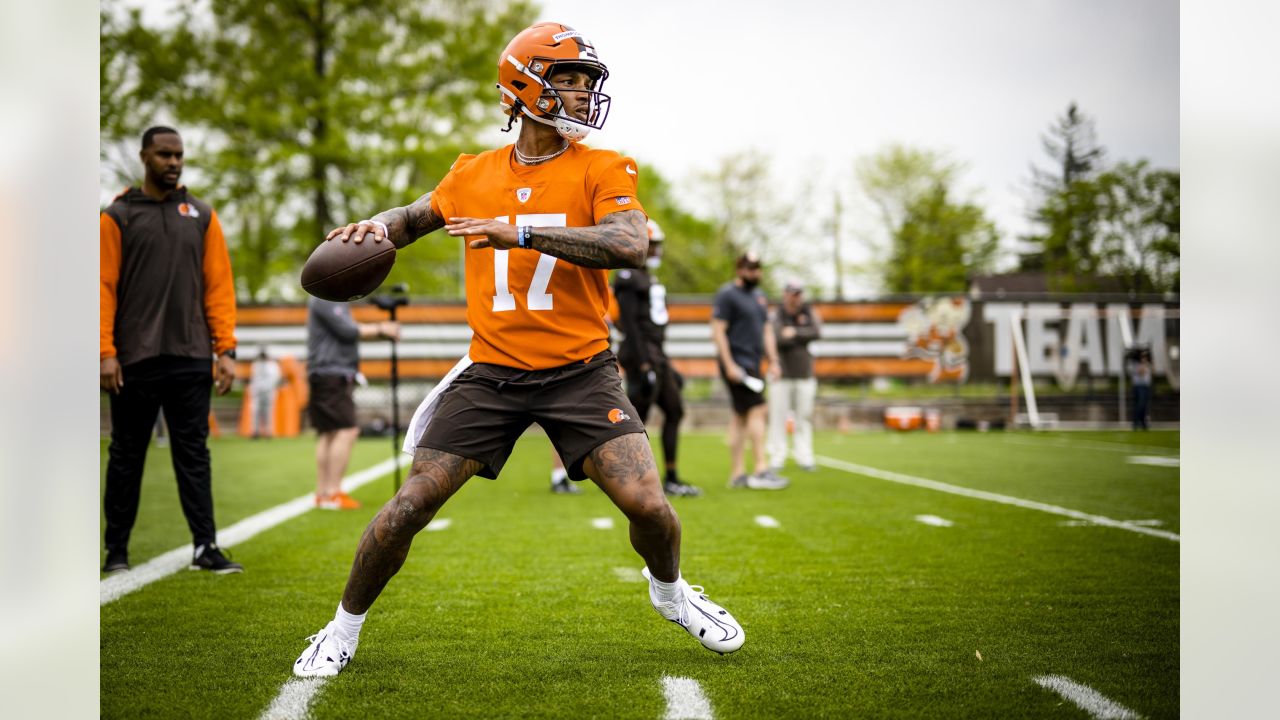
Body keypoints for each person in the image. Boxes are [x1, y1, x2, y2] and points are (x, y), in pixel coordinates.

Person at [292, 22, 744, 678]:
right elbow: (415, 217)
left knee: (649, 504)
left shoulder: (603, 165)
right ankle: (340, 629)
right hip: (493, 372)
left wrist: (523, 233)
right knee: (412, 503)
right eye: (570, 80)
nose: (585, 95)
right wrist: (376, 227)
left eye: (590, 83)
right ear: (524, 84)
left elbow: (629, 244)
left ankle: (672, 592)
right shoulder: (472, 173)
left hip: (580, 370)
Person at [99, 125, 243, 575]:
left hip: (191, 356)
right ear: (144, 156)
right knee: (126, 454)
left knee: (194, 454)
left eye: (179, 154)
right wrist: (104, 351)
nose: (174, 162)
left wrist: (226, 350)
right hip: (133, 359)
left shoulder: (200, 215)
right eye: (164, 154)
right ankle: (116, 551)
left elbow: (219, 287)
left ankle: (206, 547)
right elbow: (101, 288)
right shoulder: (117, 216)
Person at [612, 219, 702, 497]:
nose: (657, 251)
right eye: (654, 245)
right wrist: (643, 364)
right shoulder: (628, 277)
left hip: (656, 354)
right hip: (641, 355)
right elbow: (630, 324)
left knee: (675, 410)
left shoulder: (647, 277)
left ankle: (671, 476)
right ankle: (630, 478)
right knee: (636, 420)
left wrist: (663, 363)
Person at [306, 298, 400, 510]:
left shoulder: (323, 295)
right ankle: (333, 492)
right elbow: (347, 330)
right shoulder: (326, 296)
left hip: (325, 373)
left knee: (328, 432)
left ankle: (323, 493)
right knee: (346, 430)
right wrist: (382, 328)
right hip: (332, 373)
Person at [711, 252, 788, 490]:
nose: (756, 272)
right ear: (740, 270)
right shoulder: (727, 295)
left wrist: (773, 359)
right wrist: (729, 364)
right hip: (737, 364)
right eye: (751, 268)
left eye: (758, 268)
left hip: (754, 364)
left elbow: (766, 331)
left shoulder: (759, 297)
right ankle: (761, 470)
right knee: (758, 409)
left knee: (740, 416)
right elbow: (718, 331)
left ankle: (737, 474)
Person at [767, 280, 822, 472]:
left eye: (798, 293)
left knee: (803, 417)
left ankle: (804, 456)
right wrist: (797, 337)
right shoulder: (777, 313)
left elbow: (816, 332)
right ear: (785, 294)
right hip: (781, 374)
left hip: (804, 373)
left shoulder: (808, 311)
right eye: (792, 293)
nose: (795, 297)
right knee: (778, 417)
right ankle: (777, 456)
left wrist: (795, 333)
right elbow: (777, 337)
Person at [249, 347, 282, 439]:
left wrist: (267, 387)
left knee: (268, 412)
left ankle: (268, 432)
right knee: (255, 412)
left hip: (268, 392)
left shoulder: (272, 365)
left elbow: (275, 378)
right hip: (257, 392)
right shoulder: (256, 365)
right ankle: (255, 432)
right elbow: (254, 379)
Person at [1128, 346, 1153, 430]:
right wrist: (1144, 363)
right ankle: (1136, 422)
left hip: (1146, 386)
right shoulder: (1135, 364)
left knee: (1144, 406)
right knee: (1139, 405)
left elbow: (1153, 371)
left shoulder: (1147, 363)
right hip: (1139, 386)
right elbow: (1141, 372)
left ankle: (1143, 422)